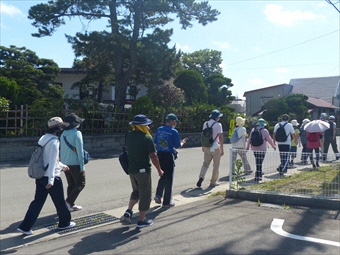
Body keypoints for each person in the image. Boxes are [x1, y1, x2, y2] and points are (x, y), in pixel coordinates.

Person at [17, 117, 76, 235]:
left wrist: (62, 165)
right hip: (51, 177)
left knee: (37, 202)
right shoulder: (54, 142)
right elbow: (52, 161)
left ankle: (25, 227)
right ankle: (64, 223)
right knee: (60, 202)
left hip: (40, 177)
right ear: (59, 129)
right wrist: (51, 180)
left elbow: (48, 159)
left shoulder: (43, 139)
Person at [123, 114, 164, 228]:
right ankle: (141, 220)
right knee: (145, 195)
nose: (148, 127)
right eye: (146, 125)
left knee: (136, 191)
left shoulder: (129, 136)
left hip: (132, 170)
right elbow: (153, 155)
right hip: (143, 171)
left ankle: (129, 211)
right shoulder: (147, 138)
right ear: (142, 126)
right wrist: (159, 170)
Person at [154, 113, 188, 208]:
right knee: (169, 178)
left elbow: (156, 142)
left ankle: (158, 195)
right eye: (175, 121)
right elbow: (177, 146)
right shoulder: (174, 131)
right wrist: (183, 142)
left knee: (162, 175)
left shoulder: (159, 129)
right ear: (172, 121)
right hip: (168, 155)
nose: (176, 123)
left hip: (159, 155)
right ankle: (167, 201)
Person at [60, 113, 86, 212]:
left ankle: (70, 205)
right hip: (75, 163)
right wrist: (82, 166)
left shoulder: (63, 134)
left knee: (71, 184)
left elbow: (61, 149)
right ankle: (68, 202)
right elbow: (80, 151)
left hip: (65, 163)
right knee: (80, 183)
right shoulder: (77, 133)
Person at [196, 109, 224, 188]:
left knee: (205, 164)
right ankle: (213, 182)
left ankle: (201, 177)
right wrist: (222, 148)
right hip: (215, 147)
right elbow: (220, 137)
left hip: (207, 146)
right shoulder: (218, 125)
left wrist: (203, 146)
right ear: (217, 117)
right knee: (216, 165)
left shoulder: (205, 123)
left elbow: (203, 136)